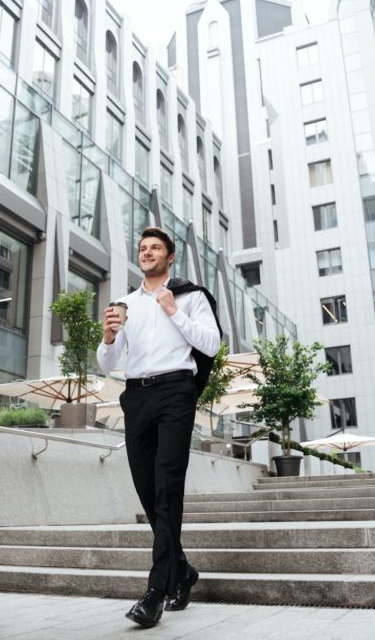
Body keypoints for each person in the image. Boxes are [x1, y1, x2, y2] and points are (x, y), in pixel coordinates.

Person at [97, 227, 221, 628]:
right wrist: (109, 335)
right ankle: (182, 570)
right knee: (148, 491)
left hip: (175, 393)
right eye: (142, 248)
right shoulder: (126, 303)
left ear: (170, 258)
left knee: (167, 486)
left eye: (155, 248)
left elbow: (212, 344)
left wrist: (173, 310)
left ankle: (156, 592)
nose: (147, 253)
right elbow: (107, 363)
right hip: (137, 396)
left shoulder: (191, 296)